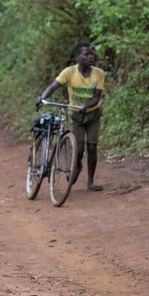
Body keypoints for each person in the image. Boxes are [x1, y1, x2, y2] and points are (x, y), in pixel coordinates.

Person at [35, 42, 105, 191]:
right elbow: (54, 86)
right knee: (78, 149)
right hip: (76, 116)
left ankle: (90, 182)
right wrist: (42, 97)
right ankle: (77, 165)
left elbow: (96, 97)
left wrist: (85, 107)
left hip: (93, 114)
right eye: (86, 54)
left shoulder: (98, 73)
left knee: (92, 147)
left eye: (91, 53)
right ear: (77, 57)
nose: (90, 56)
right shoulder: (69, 72)